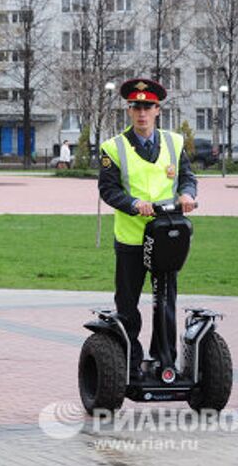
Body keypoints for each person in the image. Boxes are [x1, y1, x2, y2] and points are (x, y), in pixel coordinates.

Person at [98, 78, 197, 381]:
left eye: (147, 107)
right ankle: (128, 365)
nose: (141, 113)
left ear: (157, 110)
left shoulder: (174, 143)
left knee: (166, 303)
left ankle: (164, 361)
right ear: (129, 111)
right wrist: (133, 203)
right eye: (136, 107)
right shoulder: (113, 148)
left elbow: (187, 178)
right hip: (131, 239)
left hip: (166, 235)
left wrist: (188, 194)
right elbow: (109, 190)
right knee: (128, 305)